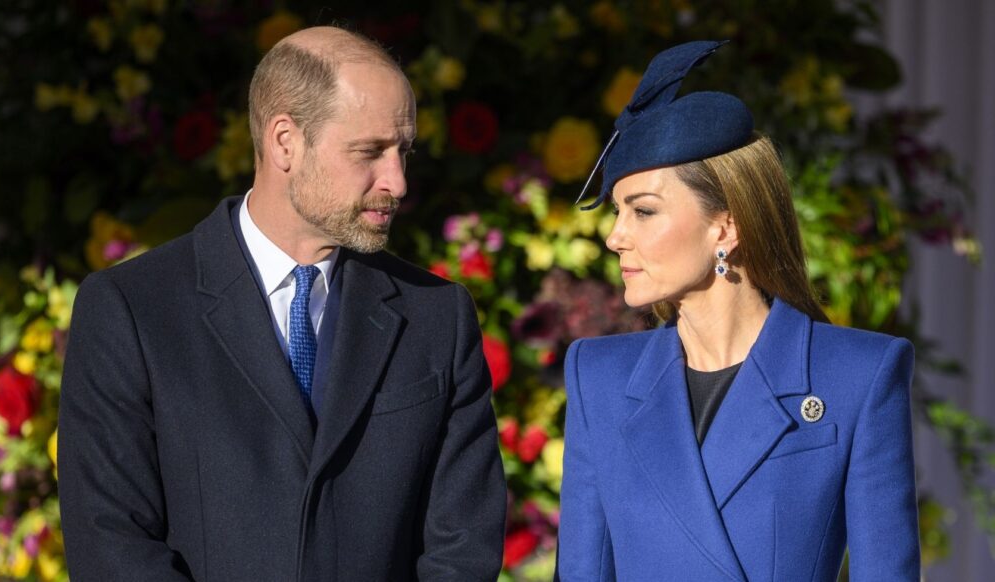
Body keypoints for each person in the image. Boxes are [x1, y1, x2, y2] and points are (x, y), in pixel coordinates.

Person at [58, 26, 506, 581]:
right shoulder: (132, 310)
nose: (398, 181)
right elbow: (111, 548)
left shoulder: (437, 316)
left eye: (403, 151)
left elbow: (462, 550)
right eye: (369, 151)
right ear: (285, 141)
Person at [556, 41, 919, 581]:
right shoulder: (599, 376)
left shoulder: (857, 374)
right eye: (616, 212)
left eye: (643, 212)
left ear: (725, 227)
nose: (615, 237)